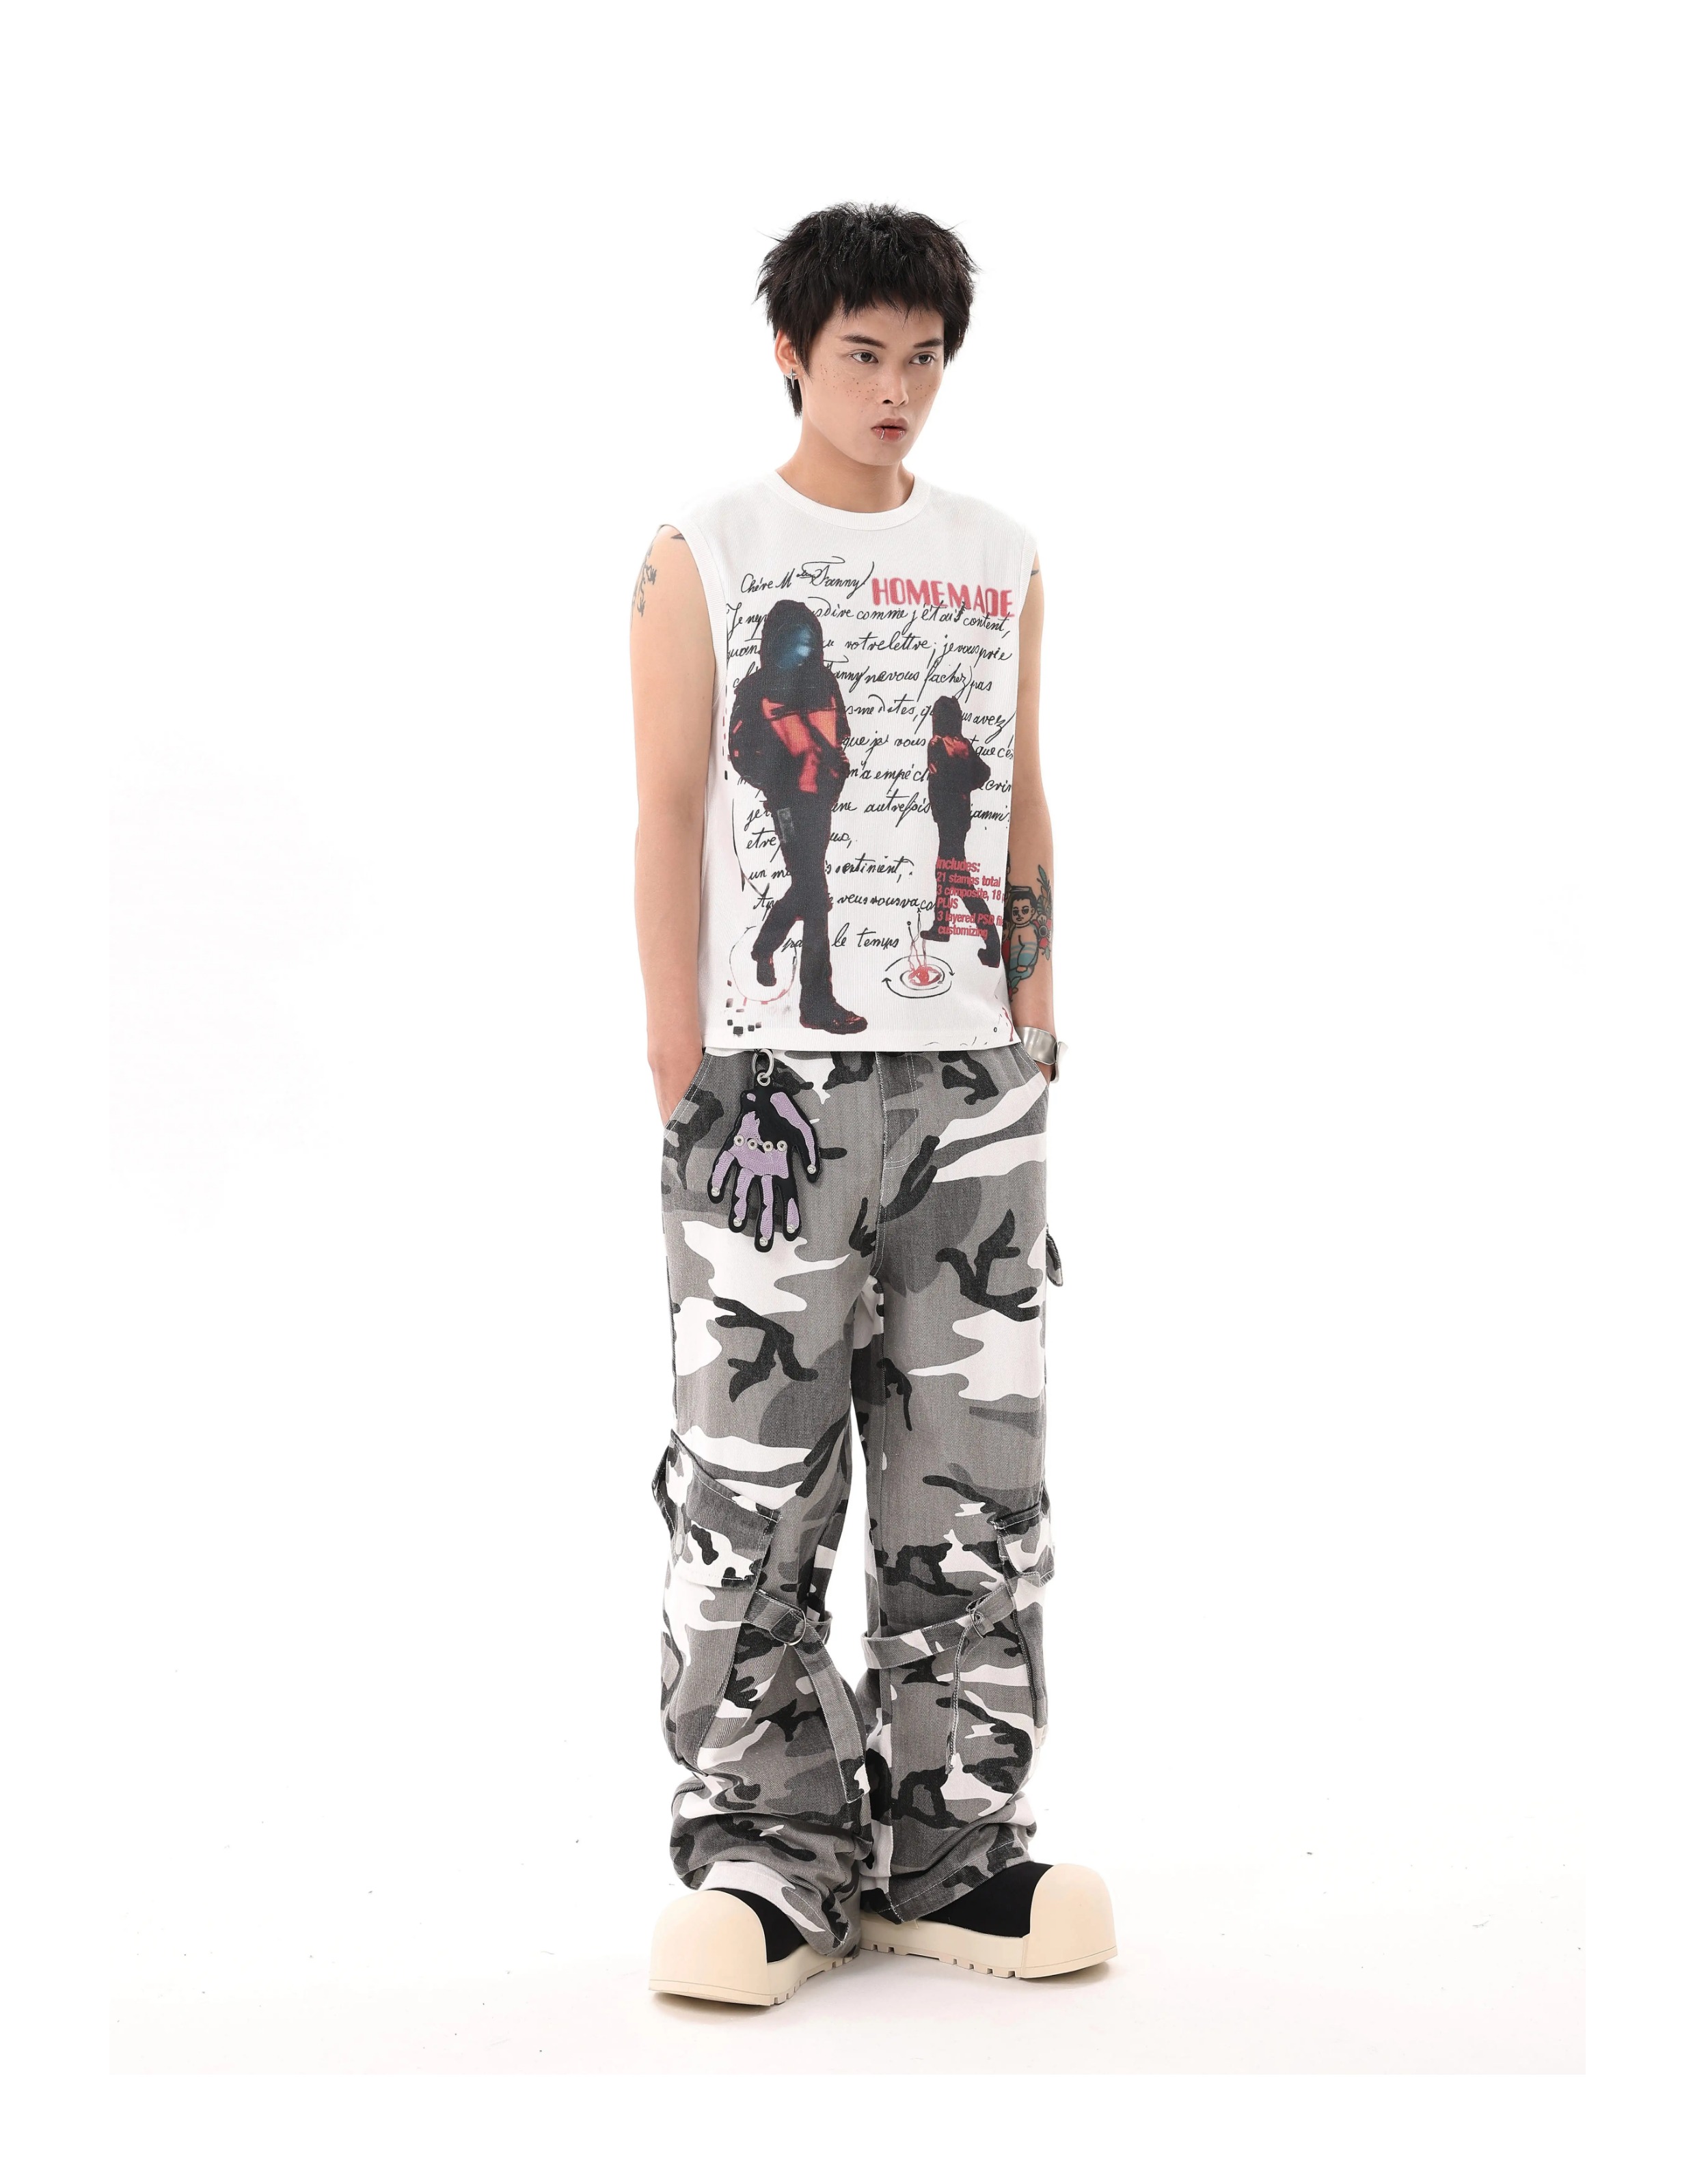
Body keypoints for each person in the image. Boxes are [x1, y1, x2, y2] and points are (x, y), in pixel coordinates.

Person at [630, 202, 1113, 2008]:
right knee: (750, 1474)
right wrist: (681, 1061)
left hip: (973, 1085)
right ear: (792, 352)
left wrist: (1036, 1022)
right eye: (862, 354)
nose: (896, 388)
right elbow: (667, 806)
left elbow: (1025, 793)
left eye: (923, 357)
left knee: (975, 1467)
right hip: (770, 1085)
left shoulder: (1000, 556)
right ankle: (769, 1848)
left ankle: (955, 1850)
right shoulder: (707, 550)